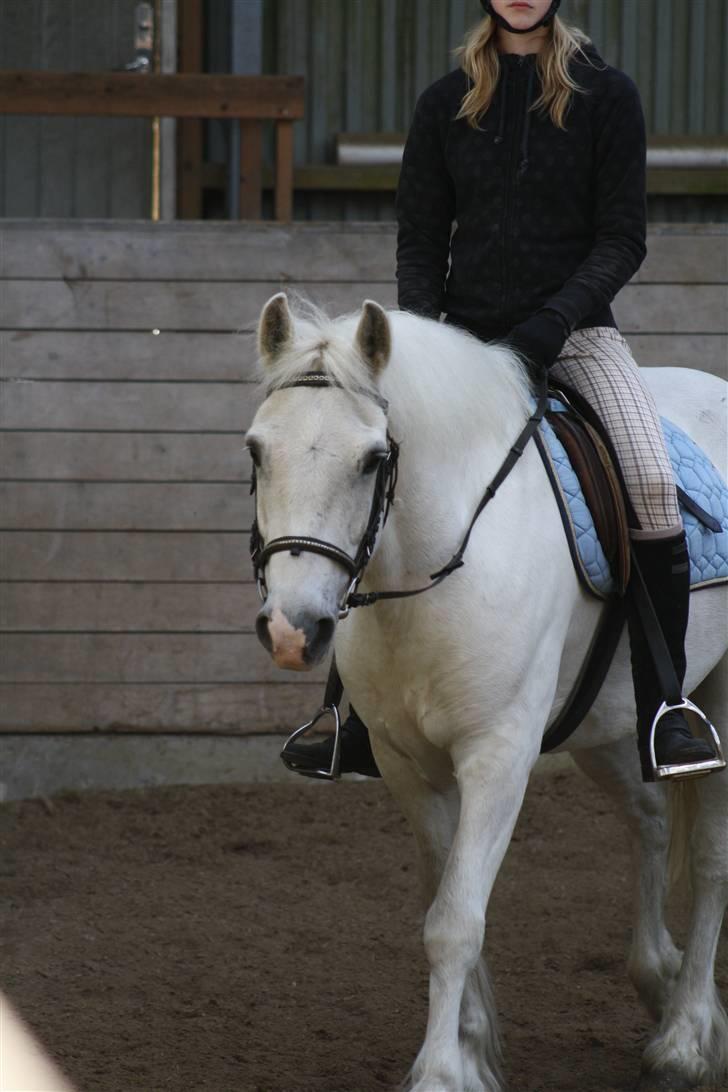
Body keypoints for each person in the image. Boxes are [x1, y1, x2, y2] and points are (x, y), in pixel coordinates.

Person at [284, 0, 721, 783]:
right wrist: (423, 344)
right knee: (374, 479)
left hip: (578, 337)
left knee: (652, 482)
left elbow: (623, 238)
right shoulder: (444, 102)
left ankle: (665, 708)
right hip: (462, 343)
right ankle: (344, 713)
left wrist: (552, 325)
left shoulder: (606, 95)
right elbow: (420, 237)